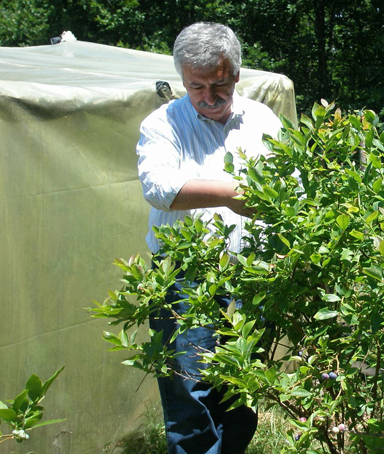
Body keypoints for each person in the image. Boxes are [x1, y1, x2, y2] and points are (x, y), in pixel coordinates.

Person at [136, 22, 282, 454]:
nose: (209, 97)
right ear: (183, 80)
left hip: (254, 273)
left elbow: (291, 182)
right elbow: (159, 189)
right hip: (184, 277)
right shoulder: (163, 124)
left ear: (236, 74)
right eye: (196, 86)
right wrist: (232, 195)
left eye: (219, 84)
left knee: (242, 384)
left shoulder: (263, 119)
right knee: (189, 389)